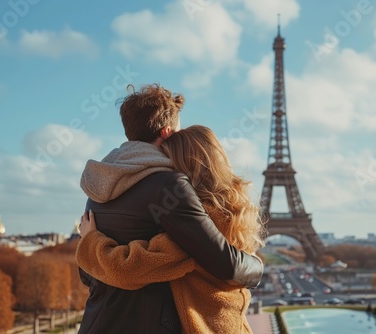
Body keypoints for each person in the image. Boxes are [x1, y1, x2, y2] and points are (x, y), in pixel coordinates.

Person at [76, 84, 263, 334]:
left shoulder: (99, 188)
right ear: (166, 132)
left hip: (97, 323)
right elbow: (225, 264)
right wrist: (258, 267)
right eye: (178, 131)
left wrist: (92, 244)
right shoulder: (170, 185)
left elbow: (88, 275)